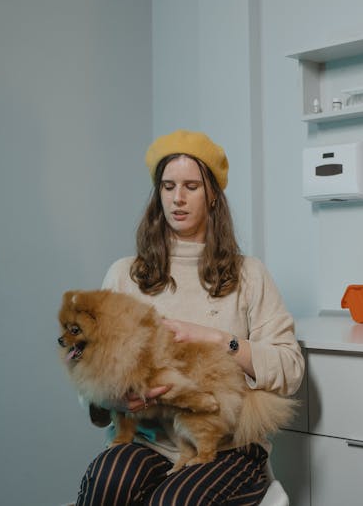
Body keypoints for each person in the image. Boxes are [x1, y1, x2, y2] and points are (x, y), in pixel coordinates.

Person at [75, 129, 304, 505]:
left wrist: (217, 340)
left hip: (226, 446)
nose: (177, 198)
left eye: (191, 186)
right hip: (149, 441)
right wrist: (114, 399)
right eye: (167, 186)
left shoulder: (249, 275)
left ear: (212, 194)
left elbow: (290, 368)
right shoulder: (124, 275)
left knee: (174, 501)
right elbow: (90, 375)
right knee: (106, 484)